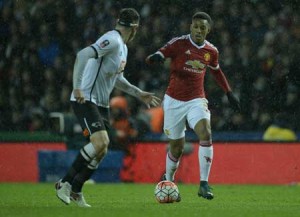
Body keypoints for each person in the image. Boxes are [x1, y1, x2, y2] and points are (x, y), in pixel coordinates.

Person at [55, 8, 160, 207]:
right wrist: (77, 87)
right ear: (135, 27)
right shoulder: (112, 39)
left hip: (101, 104)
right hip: (85, 98)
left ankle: (76, 190)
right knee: (100, 141)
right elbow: (83, 55)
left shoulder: (123, 48)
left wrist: (139, 93)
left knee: (102, 149)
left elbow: (118, 79)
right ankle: (65, 183)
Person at [146, 12, 240, 201]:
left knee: (205, 133)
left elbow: (216, 71)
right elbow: (161, 52)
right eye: (196, 26)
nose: (198, 30)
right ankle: (169, 181)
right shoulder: (179, 43)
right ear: (191, 27)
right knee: (176, 147)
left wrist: (229, 92)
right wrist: (155, 57)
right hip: (173, 101)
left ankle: (204, 184)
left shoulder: (211, 51)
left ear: (208, 30)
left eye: (202, 28)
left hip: (196, 100)